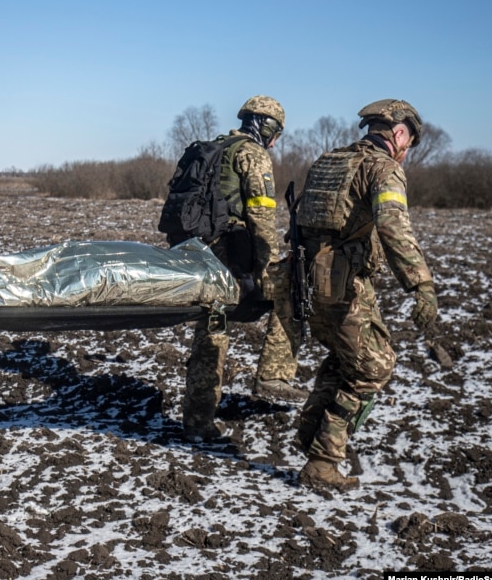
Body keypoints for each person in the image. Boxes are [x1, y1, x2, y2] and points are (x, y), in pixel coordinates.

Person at [293, 99, 437, 491]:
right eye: (409, 144)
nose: (407, 152)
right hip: (343, 282)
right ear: (401, 133)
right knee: (373, 368)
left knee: (345, 360)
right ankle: (321, 462)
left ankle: (310, 436)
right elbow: (393, 228)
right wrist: (420, 284)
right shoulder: (383, 168)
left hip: (309, 279)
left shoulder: (329, 160)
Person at [183, 95, 296, 440]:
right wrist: (268, 264)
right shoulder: (253, 154)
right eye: (276, 131)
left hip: (200, 254)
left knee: (211, 331)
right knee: (290, 290)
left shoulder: (216, 148)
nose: (275, 141)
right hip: (232, 257)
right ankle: (273, 375)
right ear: (267, 127)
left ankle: (197, 422)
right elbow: (262, 216)